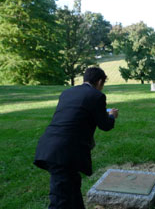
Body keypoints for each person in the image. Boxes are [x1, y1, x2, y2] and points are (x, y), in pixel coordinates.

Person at [34, 67, 119, 209]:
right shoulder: (97, 96)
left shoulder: (67, 92)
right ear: (99, 82)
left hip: (49, 145)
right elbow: (105, 125)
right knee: (60, 199)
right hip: (64, 152)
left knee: (72, 191)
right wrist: (111, 116)